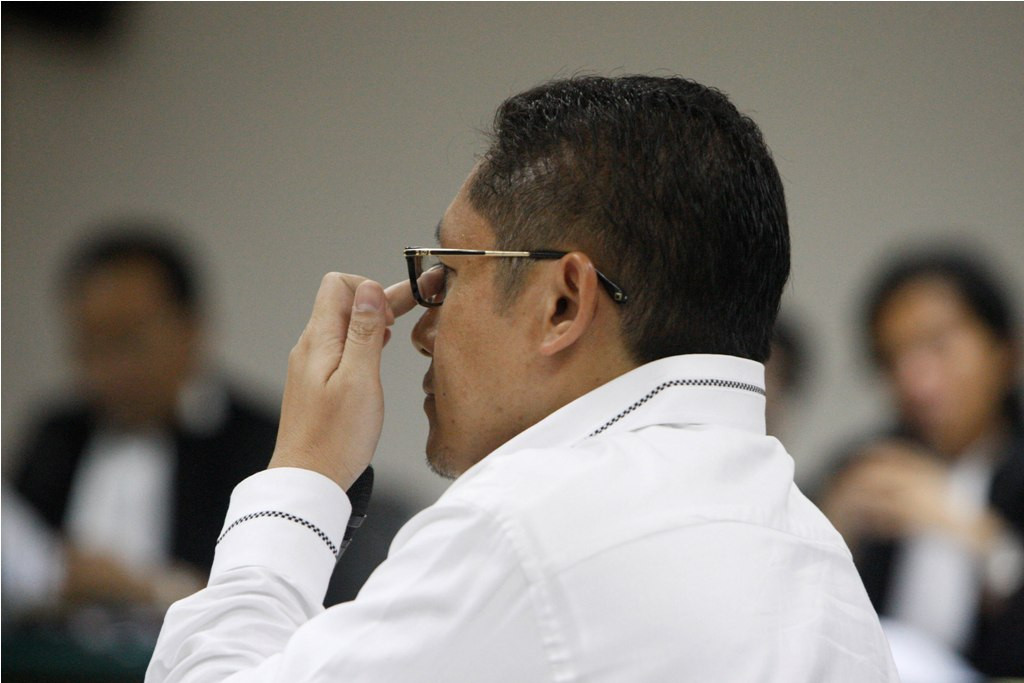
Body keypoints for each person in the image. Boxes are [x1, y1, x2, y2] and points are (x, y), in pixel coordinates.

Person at [147, 75, 898, 681]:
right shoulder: (821, 561)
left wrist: (302, 476)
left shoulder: (520, 527)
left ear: (563, 302)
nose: (423, 331)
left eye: (449, 274)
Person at [12, 227, 279, 610]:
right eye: (88, 345)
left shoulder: (259, 443)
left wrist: (143, 589)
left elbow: (274, 592)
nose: (107, 369)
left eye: (128, 341)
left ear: (191, 329)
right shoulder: (57, 435)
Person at [820, 248, 1024, 678]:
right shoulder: (866, 467)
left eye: (938, 345)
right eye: (893, 357)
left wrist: (977, 537)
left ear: (1006, 349)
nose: (915, 380)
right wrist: (829, 531)